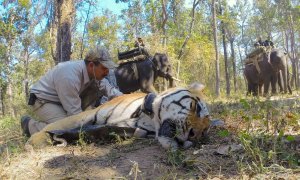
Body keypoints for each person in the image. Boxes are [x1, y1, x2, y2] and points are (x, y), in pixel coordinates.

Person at [21, 47, 122, 137]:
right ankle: (30, 126)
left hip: (63, 101)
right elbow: (75, 117)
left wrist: (131, 100)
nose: (107, 72)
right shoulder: (69, 76)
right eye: (104, 68)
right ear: (91, 65)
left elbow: (111, 91)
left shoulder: (94, 75)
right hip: (43, 101)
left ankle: (55, 120)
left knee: (79, 124)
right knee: (69, 129)